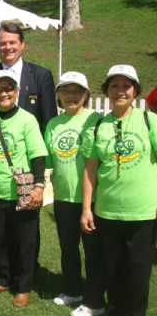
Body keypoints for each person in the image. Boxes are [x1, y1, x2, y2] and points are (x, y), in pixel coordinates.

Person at [81, 65, 157, 316]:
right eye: (114, 86)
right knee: (112, 270)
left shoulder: (150, 121)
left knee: (138, 273)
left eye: (126, 86)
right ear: (107, 90)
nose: (120, 91)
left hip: (143, 214)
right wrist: (86, 209)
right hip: (107, 212)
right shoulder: (100, 124)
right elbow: (91, 170)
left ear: (135, 91)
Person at [0, 70, 48, 308]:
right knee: (0, 239)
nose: (3, 93)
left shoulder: (27, 119)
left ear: (16, 92)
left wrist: (38, 186)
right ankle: (4, 278)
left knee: (25, 241)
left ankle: (23, 286)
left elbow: (37, 155)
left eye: (8, 89)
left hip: (22, 190)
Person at [44, 72, 105, 316]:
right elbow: (48, 161)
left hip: (93, 199)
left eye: (77, 91)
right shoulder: (53, 124)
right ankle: (72, 290)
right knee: (68, 247)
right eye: (66, 91)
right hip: (63, 199)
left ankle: (94, 300)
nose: (71, 96)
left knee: (93, 252)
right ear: (59, 95)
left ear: (86, 95)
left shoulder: (98, 120)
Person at [0, 22, 57, 135]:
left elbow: (49, 120)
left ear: (22, 45)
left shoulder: (41, 76)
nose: (8, 47)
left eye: (12, 43)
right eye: (3, 43)